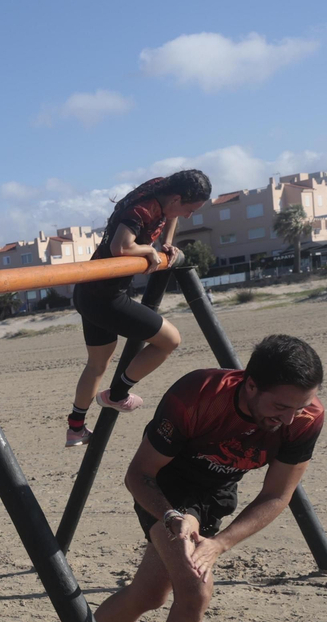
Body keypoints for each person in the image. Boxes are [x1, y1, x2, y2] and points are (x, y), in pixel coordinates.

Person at [40, 335, 325, 622]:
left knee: (148, 596)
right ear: (250, 385)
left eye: (298, 408)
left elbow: (277, 494)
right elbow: (138, 475)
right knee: (194, 590)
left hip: (215, 494)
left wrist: (220, 542)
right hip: (164, 489)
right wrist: (173, 515)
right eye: (280, 407)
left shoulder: (305, 416)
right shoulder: (198, 395)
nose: (288, 419)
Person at [66, 169, 212, 447]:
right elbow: (121, 246)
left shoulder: (161, 190)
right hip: (106, 297)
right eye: (189, 209)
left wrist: (167, 244)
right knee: (170, 341)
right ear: (176, 198)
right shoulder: (143, 209)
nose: (189, 216)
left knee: (97, 364)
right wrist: (148, 251)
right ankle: (118, 395)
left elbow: (172, 215)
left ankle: (76, 427)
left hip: (89, 292)